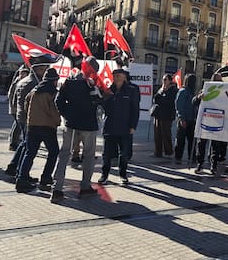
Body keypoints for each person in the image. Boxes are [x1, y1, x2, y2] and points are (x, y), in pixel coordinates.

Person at [52, 56, 102, 202]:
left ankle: (57, 189)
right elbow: (101, 102)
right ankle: (85, 187)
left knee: (64, 155)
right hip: (89, 125)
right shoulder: (95, 84)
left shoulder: (69, 82)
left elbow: (58, 101)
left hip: (71, 124)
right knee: (88, 156)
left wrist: (66, 114)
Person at [16, 68, 61, 193]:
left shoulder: (35, 90)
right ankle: (46, 178)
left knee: (29, 153)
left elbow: (26, 104)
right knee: (53, 152)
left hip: (32, 125)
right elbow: (53, 110)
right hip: (47, 127)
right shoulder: (51, 92)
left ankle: (21, 179)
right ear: (54, 81)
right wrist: (57, 121)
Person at [4, 61, 48, 180]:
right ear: (38, 70)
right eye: (44, 69)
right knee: (29, 147)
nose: (45, 71)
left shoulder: (24, 81)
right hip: (29, 118)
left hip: (20, 116)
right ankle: (21, 174)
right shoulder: (34, 83)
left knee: (24, 143)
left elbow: (13, 99)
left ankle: (13, 167)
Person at [98, 69, 140, 185]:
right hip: (110, 126)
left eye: (118, 76)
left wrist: (133, 126)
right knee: (107, 154)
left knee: (124, 153)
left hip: (124, 127)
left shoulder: (131, 90)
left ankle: (123, 175)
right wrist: (106, 96)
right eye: (114, 76)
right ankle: (104, 175)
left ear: (124, 77)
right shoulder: (108, 90)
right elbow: (103, 106)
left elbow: (135, 109)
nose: (116, 78)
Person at [151, 74, 177, 157]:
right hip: (158, 115)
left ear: (170, 81)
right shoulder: (161, 89)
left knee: (166, 134)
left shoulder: (173, 90)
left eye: (165, 79)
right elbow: (155, 99)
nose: (164, 81)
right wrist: (162, 91)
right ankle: (157, 151)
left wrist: (162, 96)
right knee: (157, 134)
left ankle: (168, 151)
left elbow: (168, 102)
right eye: (163, 80)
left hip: (167, 115)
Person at [175, 73, 197, 164]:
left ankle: (192, 156)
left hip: (191, 119)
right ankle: (178, 157)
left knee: (192, 140)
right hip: (184, 119)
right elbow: (179, 105)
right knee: (181, 140)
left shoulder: (192, 92)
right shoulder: (183, 91)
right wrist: (181, 118)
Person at [7, 65, 28, 151]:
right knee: (18, 126)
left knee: (16, 124)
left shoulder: (19, 81)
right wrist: (15, 106)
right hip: (16, 108)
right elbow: (12, 95)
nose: (24, 75)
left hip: (16, 107)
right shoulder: (19, 82)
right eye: (23, 73)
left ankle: (13, 141)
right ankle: (13, 144)